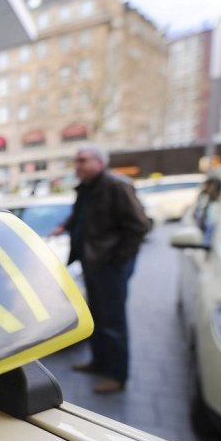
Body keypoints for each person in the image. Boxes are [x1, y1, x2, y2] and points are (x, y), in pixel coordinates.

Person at [50, 145, 150, 394]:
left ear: (99, 162)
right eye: (76, 160)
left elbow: (138, 226)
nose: (78, 166)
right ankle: (99, 362)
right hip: (92, 263)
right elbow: (80, 216)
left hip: (109, 266)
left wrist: (117, 259)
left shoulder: (117, 186)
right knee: (97, 315)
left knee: (113, 321)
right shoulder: (87, 188)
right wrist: (64, 227)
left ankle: (117, 375)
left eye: (82, 160)